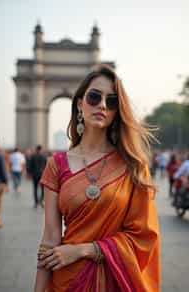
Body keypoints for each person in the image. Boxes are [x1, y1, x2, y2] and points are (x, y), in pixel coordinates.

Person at [34, 65, 160, 292]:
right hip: (66, 281)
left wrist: (84, 250)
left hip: (115, 281)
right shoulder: (56, 165)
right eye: (94, 97)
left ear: (116, 112)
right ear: (80, 103)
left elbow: (144, 237)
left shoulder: (133, 165)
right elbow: (50, 238)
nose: (102, 105)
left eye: (111, 101)